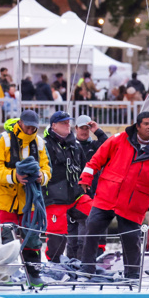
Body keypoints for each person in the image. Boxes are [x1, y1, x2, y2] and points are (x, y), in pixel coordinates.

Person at [78, 112, 149, 280]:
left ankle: (133, 275)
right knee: (92, 229)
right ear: (138, 126)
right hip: (107, 196)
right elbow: (97, 159)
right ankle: (86, 269)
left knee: (131, 239)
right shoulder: (118, 139)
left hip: (133, 202)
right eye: (147, 124)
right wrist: (86, 178)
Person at [0, 109, 51, 280]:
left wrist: (40, 177)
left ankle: (33, 274)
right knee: (8, 235)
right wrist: (15, 176)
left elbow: (47, 168)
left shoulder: (39, 143)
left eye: (33, 128)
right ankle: (7, 275)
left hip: (29, 198)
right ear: (20, 123)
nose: (30, 130)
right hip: (5, 197)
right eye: (28, 127)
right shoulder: (3, 140)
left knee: (32, 235)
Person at [41, 111, 95, 263]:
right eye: (63, 123)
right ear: (54, 126)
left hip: (75, 195)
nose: (67, 125)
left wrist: (86, 181)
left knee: (96, 215)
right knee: (56, 234)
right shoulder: (44, 145)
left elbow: (85, 167)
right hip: (54, 198)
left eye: (68, 122)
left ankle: (89, 259)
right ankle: (55, 263)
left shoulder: (75, 146)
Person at [67, 114, 110, 259]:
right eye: (82, 128)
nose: (85, 131)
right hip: (75, 196)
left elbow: (109, 145)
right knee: (74, 234)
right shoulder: (70, 146)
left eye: (87, 128)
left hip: (95, 195)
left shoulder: (95, 146)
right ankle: (73, 264)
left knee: (93, 232)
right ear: (76, 129)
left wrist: (97, 130)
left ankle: (94, 262)